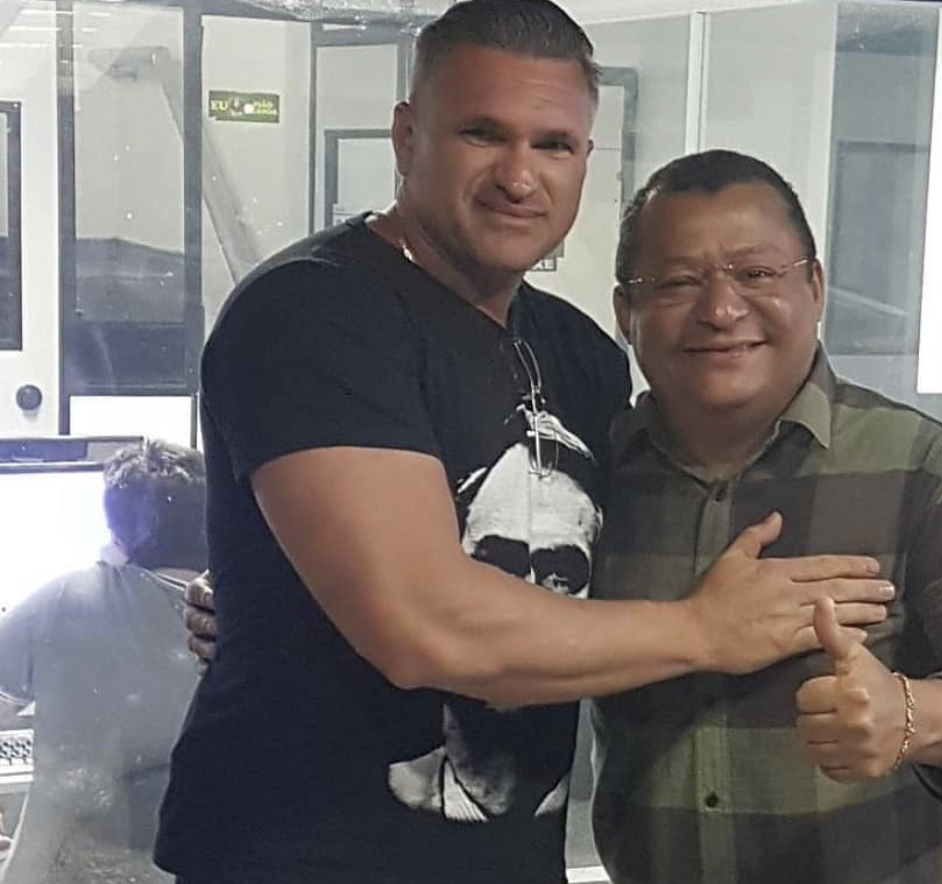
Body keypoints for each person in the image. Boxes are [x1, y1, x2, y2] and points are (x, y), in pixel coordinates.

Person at [154, 2, 895, 883]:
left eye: (553, 144)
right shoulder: (315, 312)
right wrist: (704, 629)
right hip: (299, 859)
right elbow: (421, 624)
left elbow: (626, 557)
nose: (518, 176)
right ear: (406, 137)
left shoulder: (579, 351)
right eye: (482, 134)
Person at [591, 149, 942, 884]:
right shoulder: (595, 476)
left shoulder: (920, 466)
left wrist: (912, 715)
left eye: (756, 274)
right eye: (677, 282)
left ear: (815, 287)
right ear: (626, 311)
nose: (720, 309)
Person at [0, 439, 204, 884]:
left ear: (116, 536)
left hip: (68, 868)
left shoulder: (62, 599)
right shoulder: (250, 617)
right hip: (198, 862)